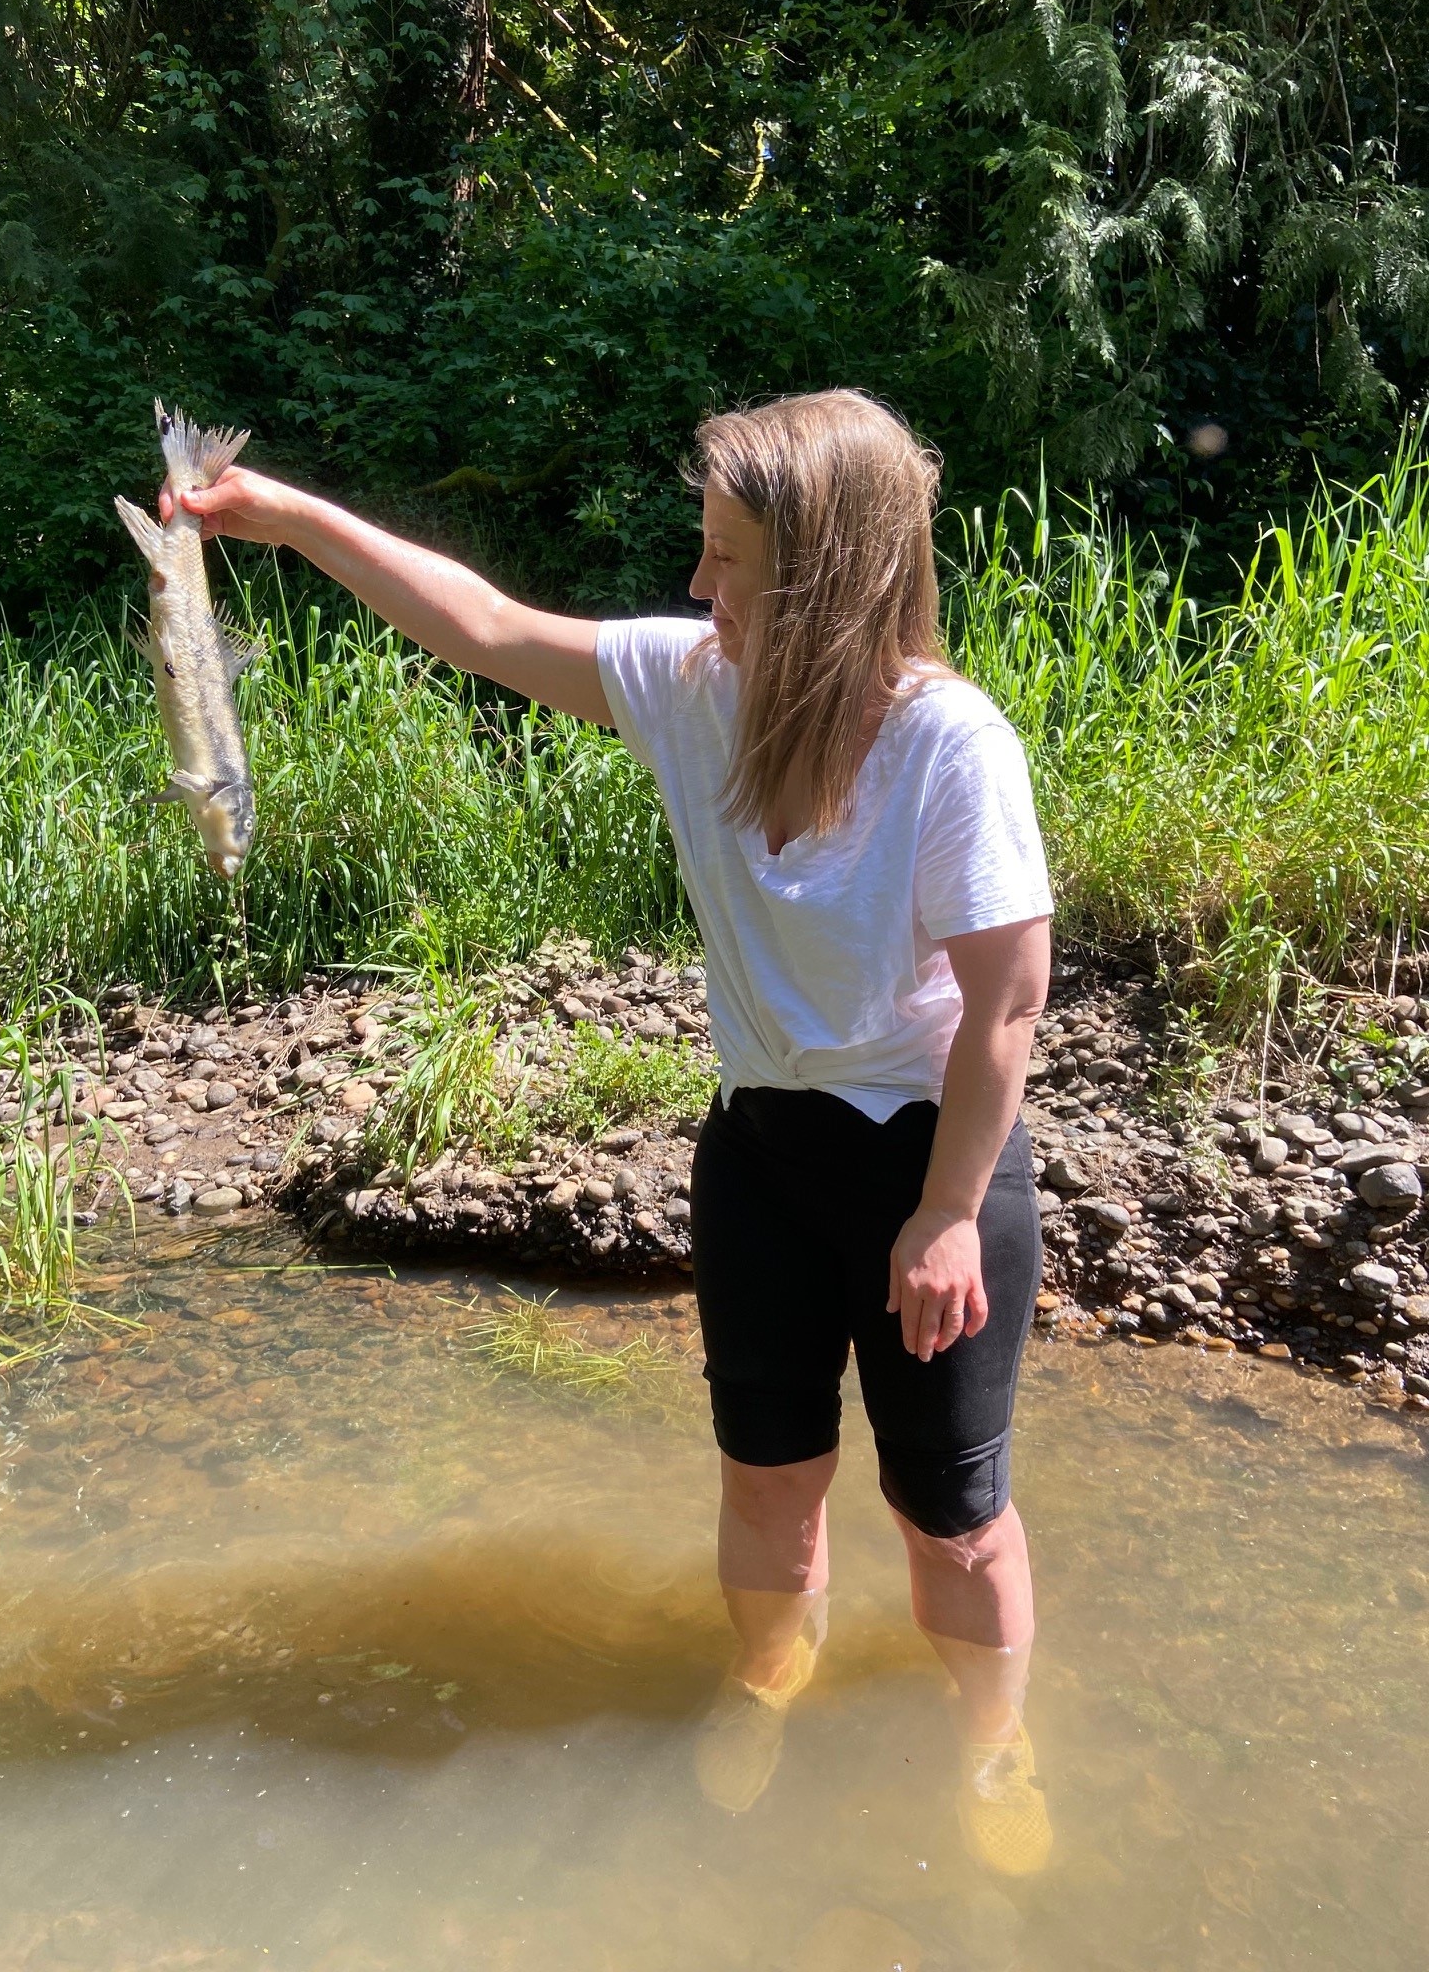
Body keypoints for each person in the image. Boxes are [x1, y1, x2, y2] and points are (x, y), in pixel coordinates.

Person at [164, 388, 1054, 1874]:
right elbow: (489, 627)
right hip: (761, 1156)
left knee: (951, 1513)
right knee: (767, 1474)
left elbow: (1008, 1007)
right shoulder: (699, 684)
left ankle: (993, 1744)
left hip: (927, 1161)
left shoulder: (950, 748)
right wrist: (289, 519)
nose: (698, 589)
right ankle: (768, 1675)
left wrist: (952, 1212)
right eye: (702, 555)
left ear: (826, 578)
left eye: (728, 563)